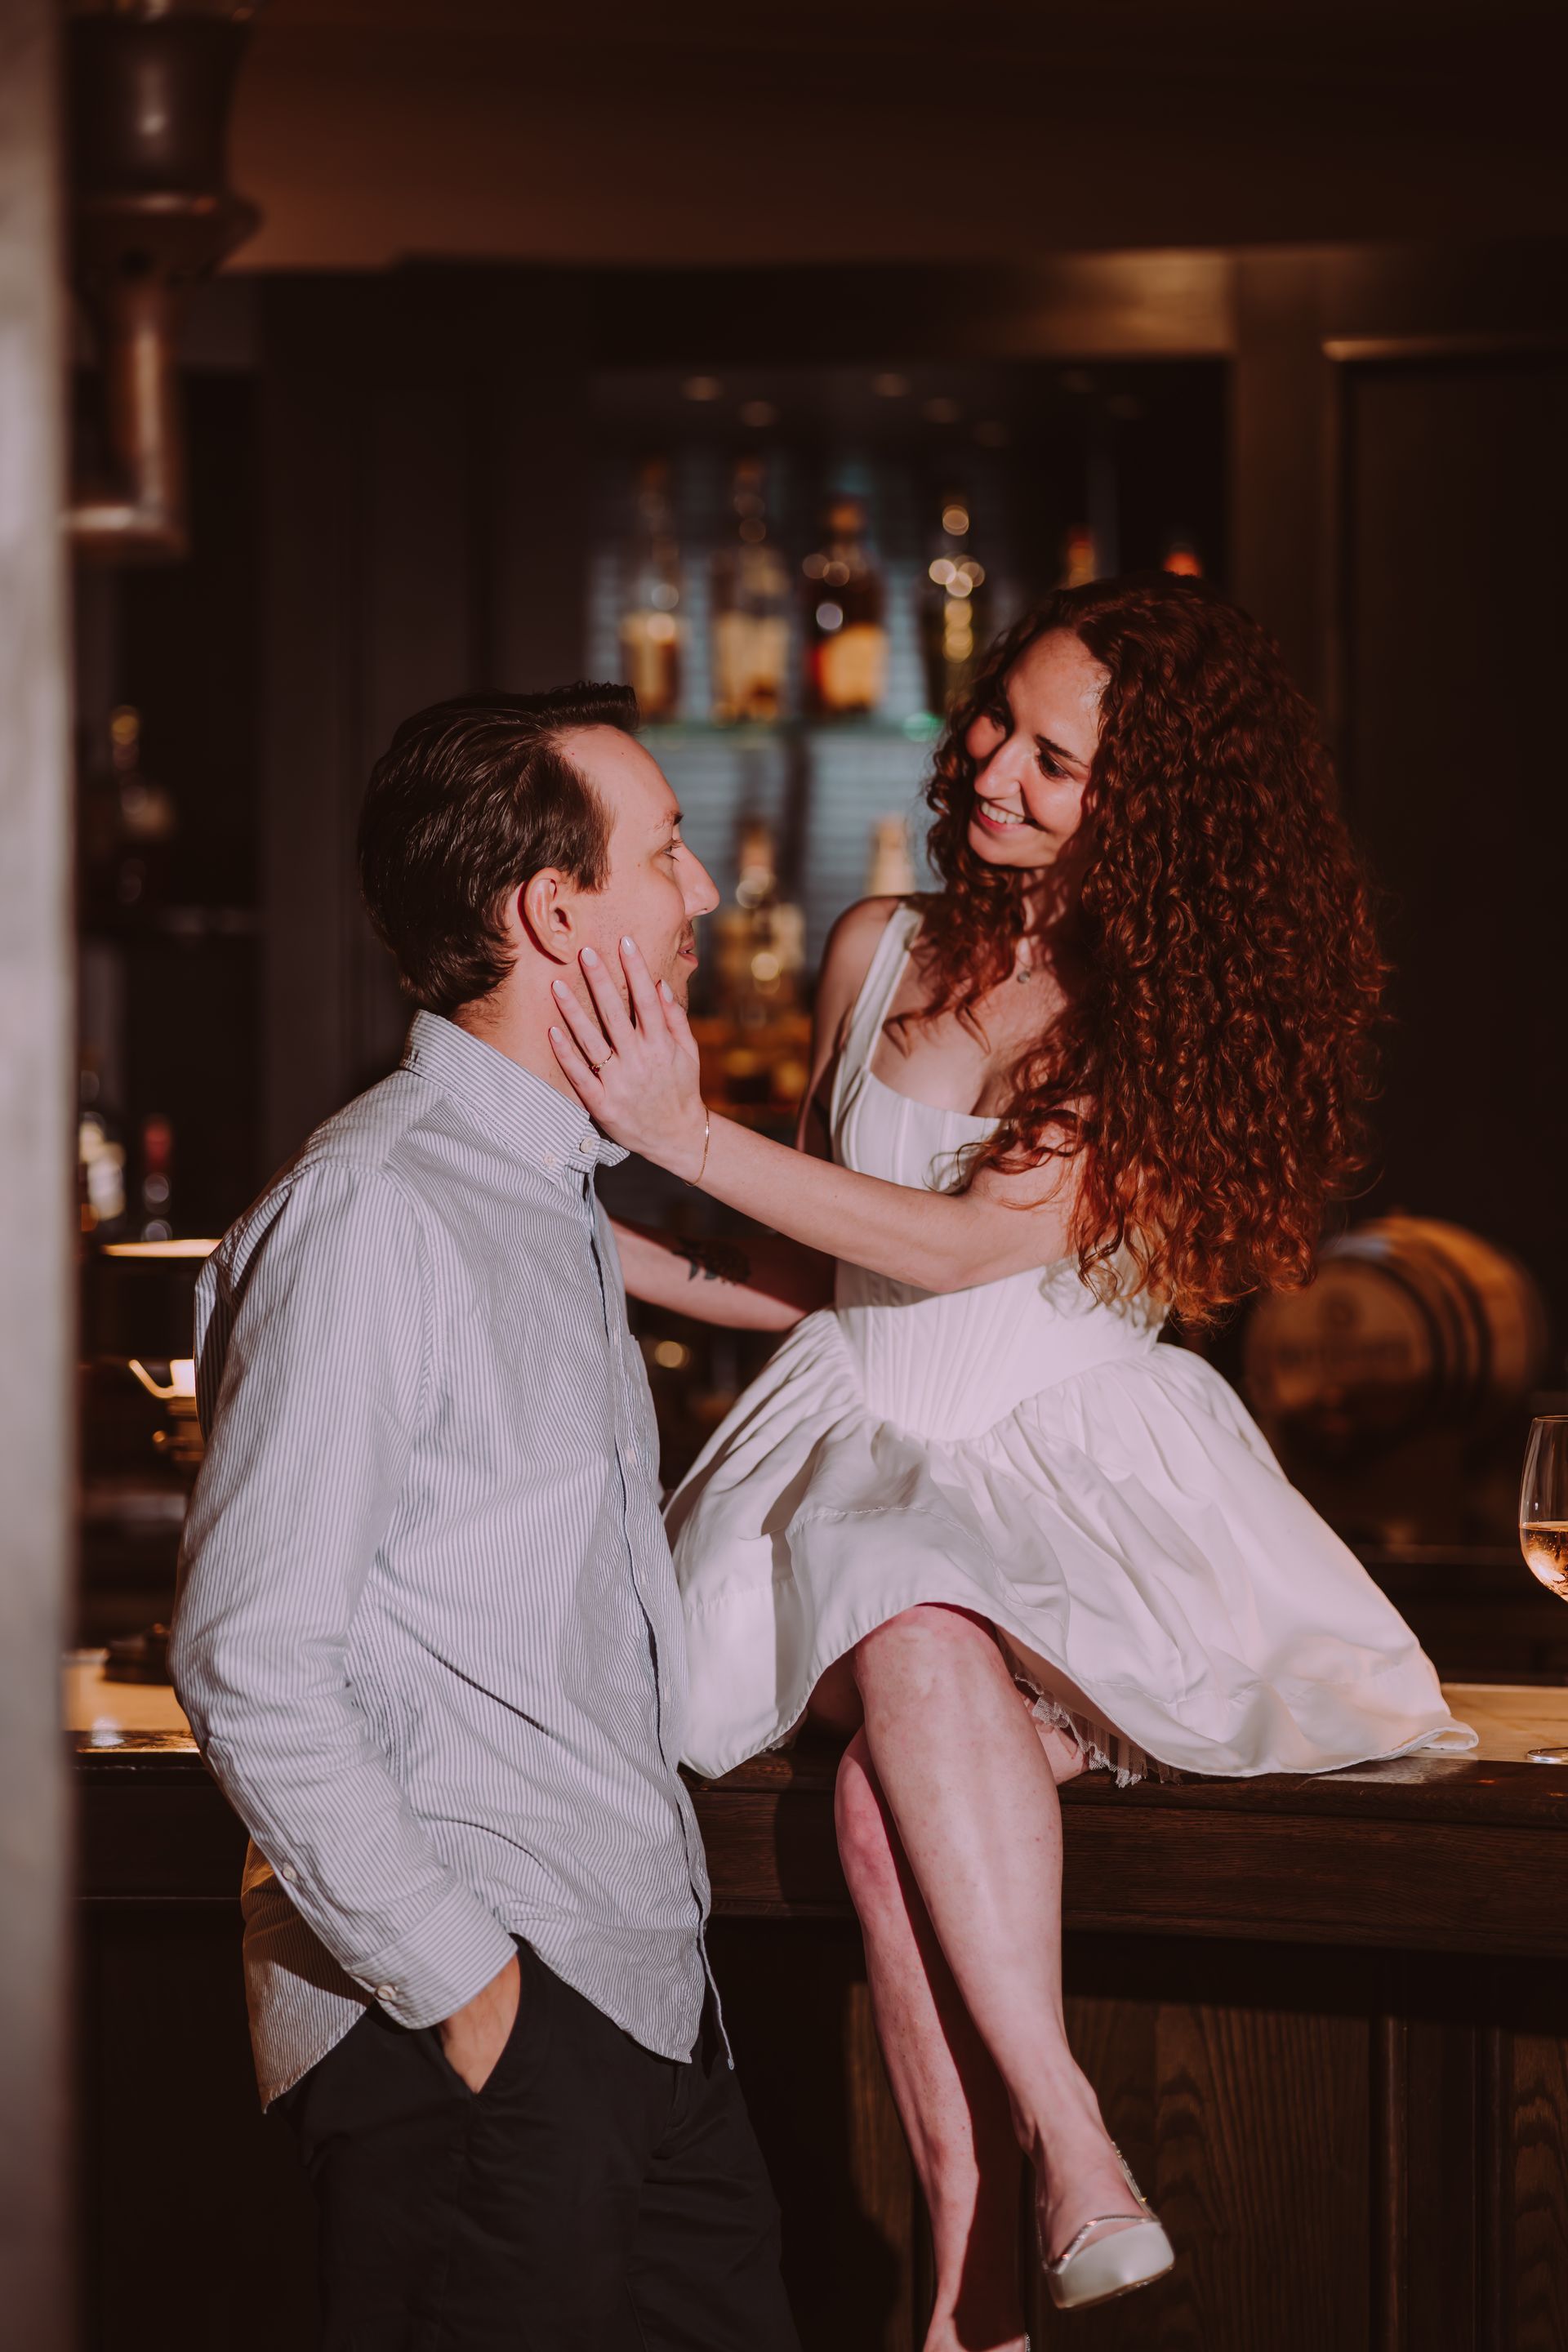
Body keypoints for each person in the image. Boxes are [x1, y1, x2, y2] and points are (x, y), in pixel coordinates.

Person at [544, 576, 1477, 2347]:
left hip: (1067, 1464)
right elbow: (823, 1272)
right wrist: (586, 1235)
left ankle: (994, 2202)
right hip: (856, 1424)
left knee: (892, 1695)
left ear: (1156, 810)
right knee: (902, 1608)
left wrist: (681, 1129)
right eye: (998, 720)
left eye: (1060, 761)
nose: (996, 768)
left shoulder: (1153, 1000)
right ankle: (1063, 2168)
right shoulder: (874, 943)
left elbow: (975, 1249)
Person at [170, 685, 802, 2352]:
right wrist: (478, 1999)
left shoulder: (546, 1192)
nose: (705, 897)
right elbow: (251, 1655)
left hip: (642, 2015)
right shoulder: (376, 1208)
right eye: (666, 854)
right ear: (553, 911)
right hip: (488, 2038)